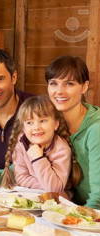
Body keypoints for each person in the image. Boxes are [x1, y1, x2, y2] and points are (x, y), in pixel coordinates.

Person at [45, 56, 100, 208]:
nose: (59, 91)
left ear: (84, 87)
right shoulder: (52, 122)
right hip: (74, 206)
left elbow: (98, 197)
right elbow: (30, 157)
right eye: (53, 83)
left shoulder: (96, 129)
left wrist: (80, 220)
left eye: (69, 84)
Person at [1, 95, 81, 193]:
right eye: (30, 123)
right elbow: (21, 178)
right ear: (23, 127)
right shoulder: (22, 143)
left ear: (56, 124)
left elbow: (55, 189)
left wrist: (38, 159)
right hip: (29, 196)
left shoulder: (62, 149)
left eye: (43, 121)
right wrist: (45, 185)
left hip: (57, 202)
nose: (36, 127)